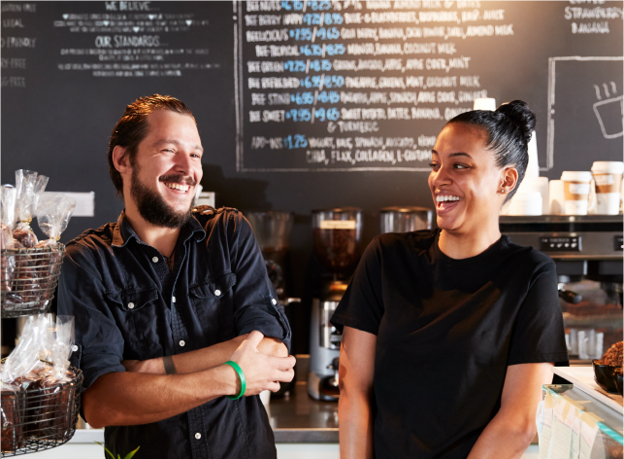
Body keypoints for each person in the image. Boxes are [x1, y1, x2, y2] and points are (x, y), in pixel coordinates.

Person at [57, 94, 296, 459]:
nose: (188, 169)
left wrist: (155, 368)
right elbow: (102, 403)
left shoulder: (228, 233)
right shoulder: (87, 261)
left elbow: (271, 349)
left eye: (196, 154)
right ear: (123, 160)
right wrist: (234, 376)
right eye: (169, 149)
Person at [332, 100, 569, 459]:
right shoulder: (386, 257)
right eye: (435, 164)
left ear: (505, 180)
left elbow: (520, 420)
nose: (439, 178)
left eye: (459, 165)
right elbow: (354, 390)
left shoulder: (530, 274)